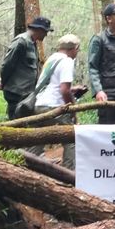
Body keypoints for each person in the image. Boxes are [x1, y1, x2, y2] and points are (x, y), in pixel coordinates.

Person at [30, 34, 85, 170]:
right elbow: (64, 90)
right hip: (54, 107)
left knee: (36, 139)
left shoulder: (52, 59)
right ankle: (69, 173)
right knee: (72, 138)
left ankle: (25, 166)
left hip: (39, 104)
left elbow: (53, 86)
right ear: (75, 48)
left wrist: (72, 89)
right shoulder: (67, 61)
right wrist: (73, 111)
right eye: (78, 50)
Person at [0, 16, 53, 120]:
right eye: (45, 31)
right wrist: (4, 83)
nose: (46, 34)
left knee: (24, 124)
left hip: (26, 94)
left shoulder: (32, 44)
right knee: (15, 125)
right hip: (16, 93)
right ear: (39, 29)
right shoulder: (21, 41)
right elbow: (7, 65)